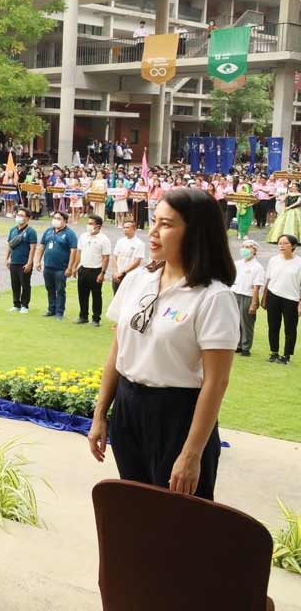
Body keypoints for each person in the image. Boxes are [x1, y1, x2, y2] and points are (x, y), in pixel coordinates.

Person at [88, 188, 238, 501]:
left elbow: (216, 381)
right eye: (154, 221)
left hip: (178, 415)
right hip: (129, 408)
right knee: (138, 508)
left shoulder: (213, 297)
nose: (153, 232)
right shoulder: (137, 280)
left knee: (180, 517)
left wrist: (192, 453)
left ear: (195, 232)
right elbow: (118, 351)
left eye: (166, 224)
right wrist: (101, 413)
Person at [264, 234, 301, 365]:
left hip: (291, 299)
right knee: (273, 326)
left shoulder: (299, 263)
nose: (282, 246)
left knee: (290, 328)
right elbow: (268, 280)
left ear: (293, 246)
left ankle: (286, 355)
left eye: (285, 243)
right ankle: (274, 352)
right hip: (273, 296)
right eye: (280, 243)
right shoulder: (273, 260)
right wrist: (264, 298)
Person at [35, 210, 77, 320]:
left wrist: (70, 268)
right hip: (48, 266)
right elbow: (42, 246)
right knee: (50, 288)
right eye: (54, 218)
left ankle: (59, 312)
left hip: (61, 268)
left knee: (60, 290)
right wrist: (38, 261)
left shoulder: (69, 234)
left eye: (59, 219)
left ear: (65, 221)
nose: (56, 220)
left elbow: (73, 251)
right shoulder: (49, 231)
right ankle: (51, 309)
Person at [75, 214, 111, 327]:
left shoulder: (104, 239)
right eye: (88, 223)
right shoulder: (83, 236)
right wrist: (75, 267)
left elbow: (106, 258)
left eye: (91, 224)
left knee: (96, 295)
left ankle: (96, 318)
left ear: (98, 226)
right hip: (83, 268)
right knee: (82, 294)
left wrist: (102, 273)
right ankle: (83, 316)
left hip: (95, 270)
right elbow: (79, 252)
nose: (88, 225)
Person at [232, 239, 265, 357]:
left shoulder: (258, 267)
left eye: (248, 247)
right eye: (243, 246)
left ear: (254, 250)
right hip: (235, 293)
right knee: (235, 321)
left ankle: (246, 347)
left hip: (248, 296)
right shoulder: (237, 263)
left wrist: (254, 303)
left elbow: (256, 287)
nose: (245, 249)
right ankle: (238, 345)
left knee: (246, 323)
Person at [5, 207, 37, 313]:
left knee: (25, 284)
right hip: (14, 261)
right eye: (18, 215)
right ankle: (16, 304)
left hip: (24, 262)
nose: (19, 217)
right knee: (15, 284)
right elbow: (9, 245)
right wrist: (7, 258)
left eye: (22, 215)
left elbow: (32, 248)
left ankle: (24, 305)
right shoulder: (13, 230)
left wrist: (29, 263)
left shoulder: (31, 232)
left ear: (27, 218)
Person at [110, 219, 146, 296]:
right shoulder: (120, 241)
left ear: (134, 229)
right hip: (117, 275)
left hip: (129, 275)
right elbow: (115, 256)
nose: (125, 230)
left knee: (127, 297)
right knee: (116, 297)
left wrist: (123, 273)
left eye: (127, 228)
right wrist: (115, 272)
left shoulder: (139, 244)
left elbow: (137, 262)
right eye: (124, 227)